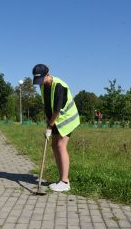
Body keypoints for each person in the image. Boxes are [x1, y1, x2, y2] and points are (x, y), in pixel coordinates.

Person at [32, 63, 80, 192]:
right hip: (55, 119)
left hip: (66, 118)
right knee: (54, 146)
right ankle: (61, 179)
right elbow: (47, 106)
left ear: (47, 74)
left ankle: (65, 182)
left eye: (41, 79)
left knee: (60, 146)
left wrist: (50, 126)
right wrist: (47, 121)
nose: (39, 82)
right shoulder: (43, 86)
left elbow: (57, 110)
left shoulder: (58, 86)